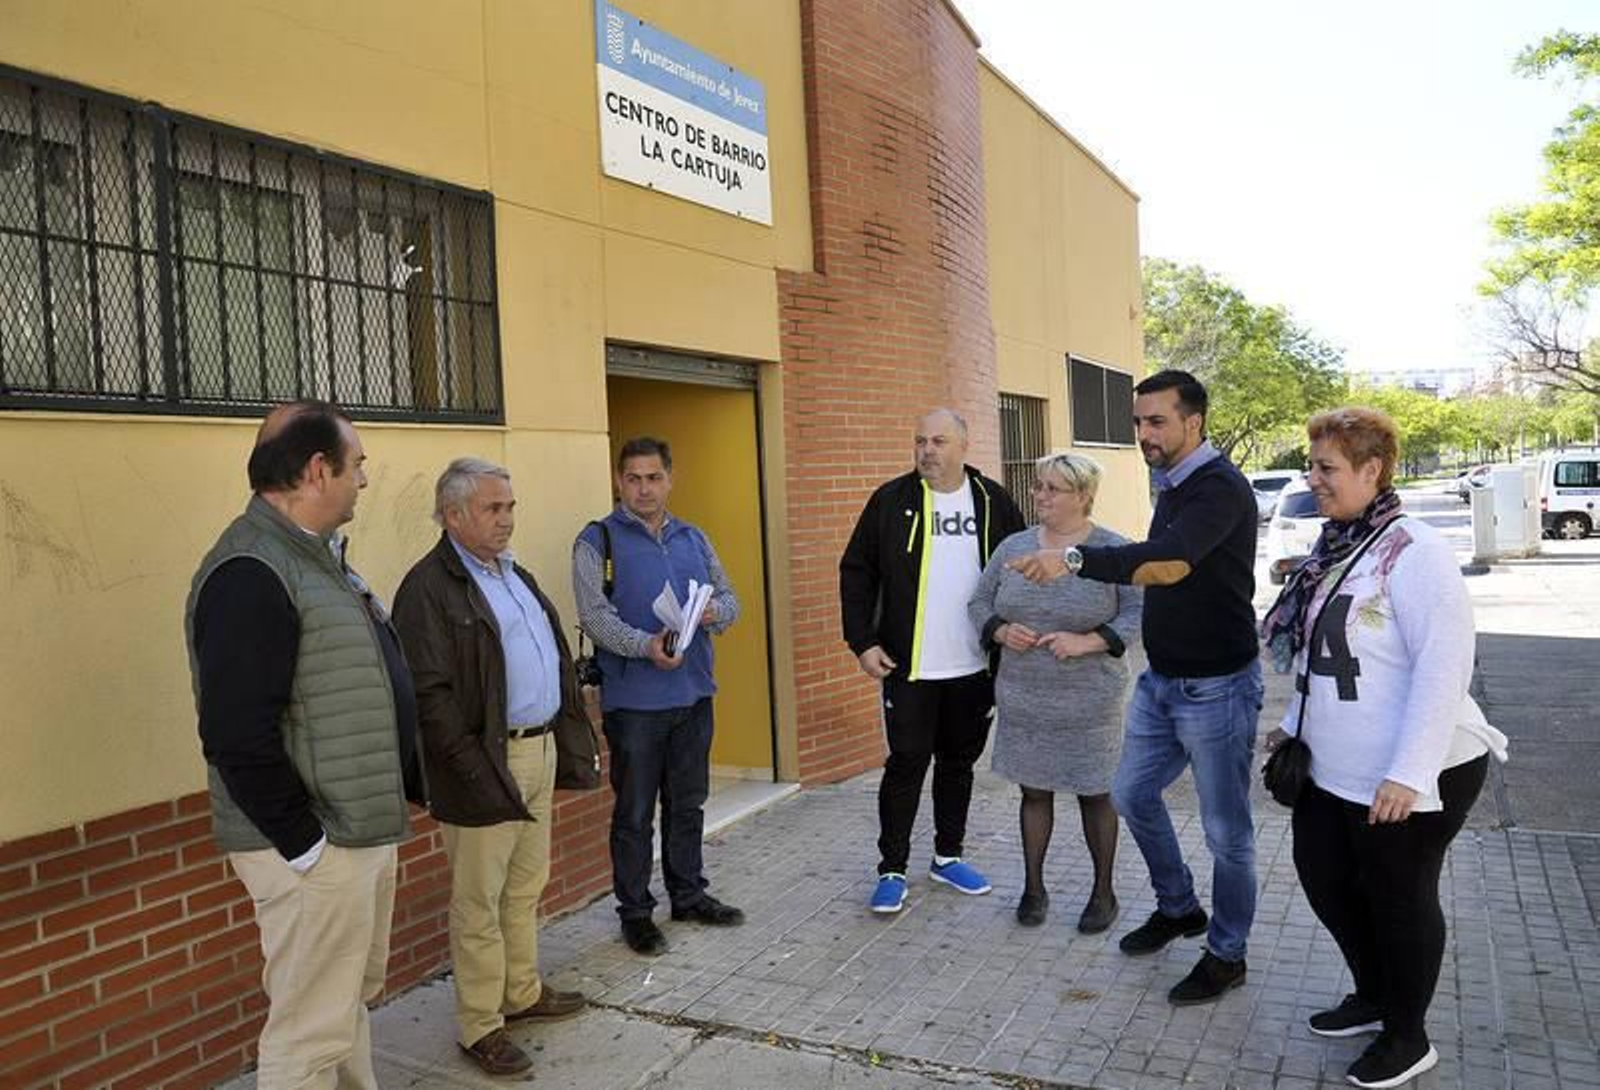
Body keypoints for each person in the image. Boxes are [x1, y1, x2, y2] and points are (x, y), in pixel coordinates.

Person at [1260, 408, 1507, 1089]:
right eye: (1312, 466)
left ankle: (1408, 1034)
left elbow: (1444, 667)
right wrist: (1294, 724)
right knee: (1327, 880)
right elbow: (1323, 654)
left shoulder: (1416, 552)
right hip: (1336, 766)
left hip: (1418, 768)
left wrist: (1410, 772)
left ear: (1372, 471)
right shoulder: (1338, 545)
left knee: (1400, 897)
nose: (1314, 480)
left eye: (1327, 468)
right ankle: (1373, 995)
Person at [185, 400, 423, 1089]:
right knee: (307, 1031)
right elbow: (234, 733)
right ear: (318, 470)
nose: (365, 483)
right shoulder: (251, 572)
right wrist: (305, 845)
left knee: (341, 1007)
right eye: (358, 467)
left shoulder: (315, 561)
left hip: (350, 833)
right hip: (315, 846)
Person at [1010, 370, 1262, 1005]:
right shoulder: (1173, 483)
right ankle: (1178, 906)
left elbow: (1168, 563)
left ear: (1193, 423)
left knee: (1226, 832)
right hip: (1162, 682)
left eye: (1157, 422)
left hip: (1217, 688)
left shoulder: (1218, 487)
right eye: (1138, 422)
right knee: (1130, 794)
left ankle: (1227, 954)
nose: (1144, 433)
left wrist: (1072, 559)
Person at [392, 458, 601, 1077]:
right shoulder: (428, 588)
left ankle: (522, 991)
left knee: (524, 885)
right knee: (478, 901)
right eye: (493, 508)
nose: (507, 518)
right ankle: (481, 1025)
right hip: (485, 760)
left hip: (536, 750)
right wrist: (471, 768)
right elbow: (429, 696)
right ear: (453, 515)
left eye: (510, 506)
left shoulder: (513, 574)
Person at [840, 408, 1027, 914]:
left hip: (974, 666)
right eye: (920, 440)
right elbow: (856, 572)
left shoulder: (992, 501)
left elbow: (1021, 568)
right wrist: (862, 642)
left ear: (964, 446)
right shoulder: (891, 500)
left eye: (939, 441)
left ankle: (948, 856)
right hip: (909, 667)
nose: (927, 450)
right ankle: (892, 868)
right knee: (906, 764)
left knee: (958, 764)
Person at [573, 436, 744, 956]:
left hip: (693, 695)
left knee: (688, 805)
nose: (644, 488)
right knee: (634, 814)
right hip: (635, 705)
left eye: (653, 478)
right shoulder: (595, 542)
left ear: (670, 479)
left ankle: (689, 895)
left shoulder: (694, 538)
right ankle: (636, 912)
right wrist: (645, 645)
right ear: (618, 482)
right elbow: (595, 617)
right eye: (633, 478)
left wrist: (716, 613)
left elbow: (732, 600)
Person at [968, 452, 1141, 932]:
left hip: (1091, 700)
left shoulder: (1111, 550)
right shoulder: (1012, 547)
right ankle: (1033, 889)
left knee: (1095, 794)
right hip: (1025, 695)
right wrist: (1000, 630)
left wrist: (1088, 641)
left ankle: (1103, 893)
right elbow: (979, 601)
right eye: (1039, 486)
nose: (1039, 495)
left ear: (1083, 497)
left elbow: (1137, 614)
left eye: (1052, 488)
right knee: (1034, 792)